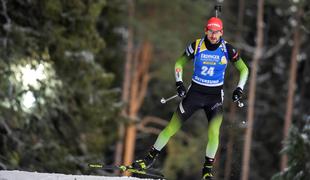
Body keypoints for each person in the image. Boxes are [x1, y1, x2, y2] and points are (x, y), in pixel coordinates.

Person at [132, 17, 249, 179]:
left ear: (221, 32)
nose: (213, 36)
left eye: (216, 32)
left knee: (214, 133)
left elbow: (244, 69)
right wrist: (179, 83)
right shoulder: (196, 46)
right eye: (210, 32)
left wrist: (239, 89)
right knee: (171, 128)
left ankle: (207, 171)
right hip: (195, 94)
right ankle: (148, 160)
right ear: (206, 31)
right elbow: (179, 63)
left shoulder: (227, 49)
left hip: (214, 98)